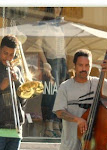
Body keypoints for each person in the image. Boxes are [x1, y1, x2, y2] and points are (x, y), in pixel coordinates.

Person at [36, 7, 68, 137]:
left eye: (59, 6)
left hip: (62, 61)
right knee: (51, 93)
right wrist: (45, 62)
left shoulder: (60, 25)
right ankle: (48, 124)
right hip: (52, 60)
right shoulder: (44, 25)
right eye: (55, 6)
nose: (57, 9)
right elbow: (38, 45)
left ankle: (56, 123)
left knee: (61, 94)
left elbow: (64, 47)